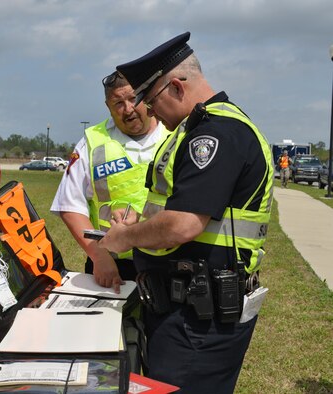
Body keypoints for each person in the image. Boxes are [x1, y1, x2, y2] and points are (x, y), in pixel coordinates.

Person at [98, 32, 273, 393]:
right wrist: (141, 224)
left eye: (151, 101)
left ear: (176, 87)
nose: (149, 113)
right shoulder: (198, 130)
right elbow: (179, 211)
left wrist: (124, 238)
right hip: (185, 313)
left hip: (198, 323)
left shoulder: (215, 134)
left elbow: (183, 225)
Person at [50, 71, 164, 292]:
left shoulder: (174, 133)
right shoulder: (92, 141)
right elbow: (69, 205)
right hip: (111, 264)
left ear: (146, 96)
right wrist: (98, 256)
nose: (128, 109)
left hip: (167, 261)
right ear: (107, 106)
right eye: (118, 103)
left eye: (133, 98)